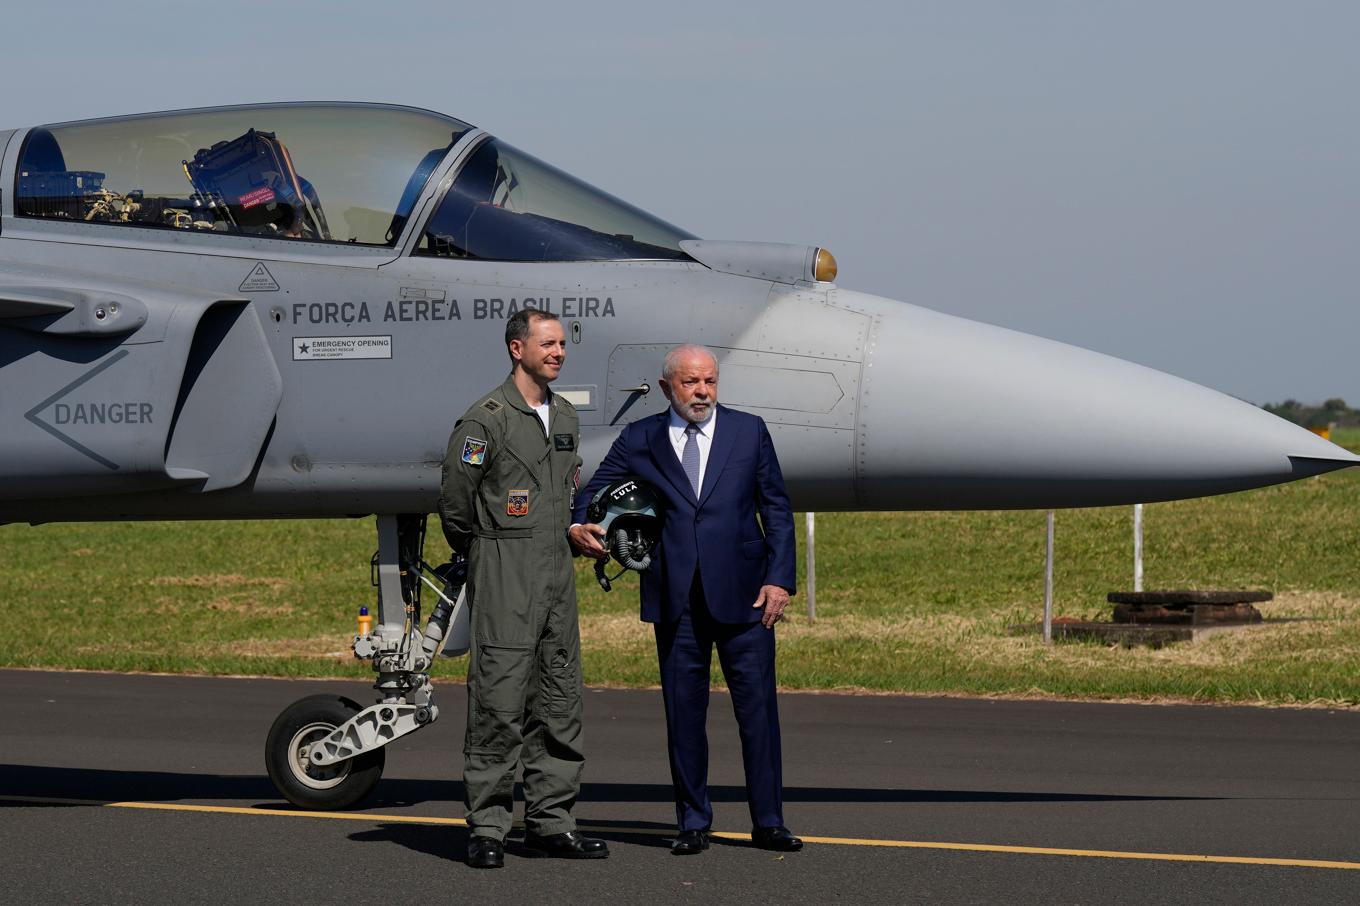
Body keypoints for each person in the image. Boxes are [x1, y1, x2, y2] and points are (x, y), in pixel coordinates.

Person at [569, 344, 801, 855]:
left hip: (746, 597)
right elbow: (595, 489)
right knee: (683, 717)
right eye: (692, 383)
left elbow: (776, 509)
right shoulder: (641, 437)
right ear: (666, 387)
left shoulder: (749, 430)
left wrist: (780, 579)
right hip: (676, 600)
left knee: (758, 714)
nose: (703, 392)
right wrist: (579, 522)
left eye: (710, 382)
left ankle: (769, 822)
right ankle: (693, 822)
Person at [438, 308, 608, 868]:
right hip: (505, 572)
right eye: (547, 343)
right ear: (517, 348)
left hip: (557, 576)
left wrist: (573, 532)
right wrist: (494, 550)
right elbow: (457, 509)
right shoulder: (484, 421)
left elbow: (562, 494)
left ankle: (551, 823)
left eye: (562, 344)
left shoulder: (563, 416)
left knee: (559, 700)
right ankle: (488, 828)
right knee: (500, 702)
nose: (558, 352)